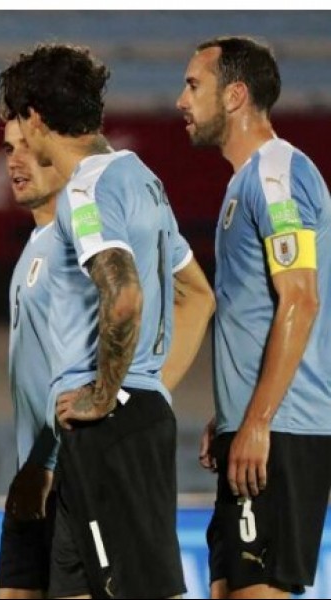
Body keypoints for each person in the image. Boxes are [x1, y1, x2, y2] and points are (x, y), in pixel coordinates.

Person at [0, 43, 214, 599]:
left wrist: (105, 393)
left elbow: (122, 294)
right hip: (118, 424)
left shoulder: (86, 190)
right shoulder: (140, 177)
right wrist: (145, 388)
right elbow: (196, 293)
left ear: (35, 118)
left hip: (108, 429)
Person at [177, 36, 331, 599]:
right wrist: (232, 410)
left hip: (281, 431)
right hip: (255, 426)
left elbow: (301, 299)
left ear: (235, 95)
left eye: (194, 85)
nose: (181, 100)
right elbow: (260, 312)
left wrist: (259, 419)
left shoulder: (276, 175)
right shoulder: (245, 183)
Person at [0, 120, 67, 599]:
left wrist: (45, 460)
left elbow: (87, 365)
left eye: (26, 146)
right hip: (33, 474)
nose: (14, 161)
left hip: (66, 473)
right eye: (7, 149)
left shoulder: (76, 242)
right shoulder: (35, 244)